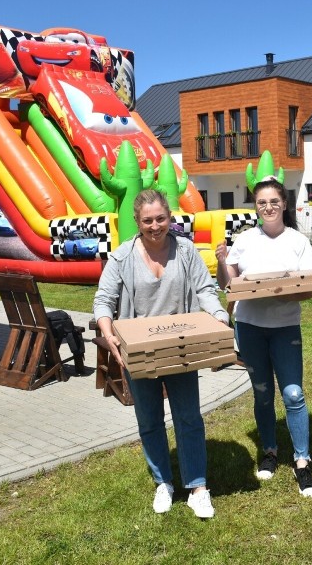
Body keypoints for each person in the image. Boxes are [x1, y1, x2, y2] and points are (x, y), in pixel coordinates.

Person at [93, 189, 228, 518]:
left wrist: (220, 317)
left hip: (180, 348)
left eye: (161, 218)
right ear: (137, 221)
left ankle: (197, 487)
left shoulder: (186, 251)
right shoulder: (122, 257)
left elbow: (205, 289)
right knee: (149, 420)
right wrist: (108, 332)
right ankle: (163, 482)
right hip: (138, 352)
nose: (156, 226)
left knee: (189, 417)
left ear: (171, 217)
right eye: (148, 220)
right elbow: (103, 300)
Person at [215, 176, 312, 498]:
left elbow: (309, 290)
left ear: (284, 204)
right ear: (256, 206)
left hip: (286, 327)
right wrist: (222, 261)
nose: (268, 206)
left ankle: (303, 460)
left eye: (274, 201)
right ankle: (271, 451)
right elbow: (227, 285)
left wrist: (283, 293)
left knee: (292, 394)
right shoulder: (245, 239)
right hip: (250, 327)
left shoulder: (297, 241)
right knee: (262, 394)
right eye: (262, 202)